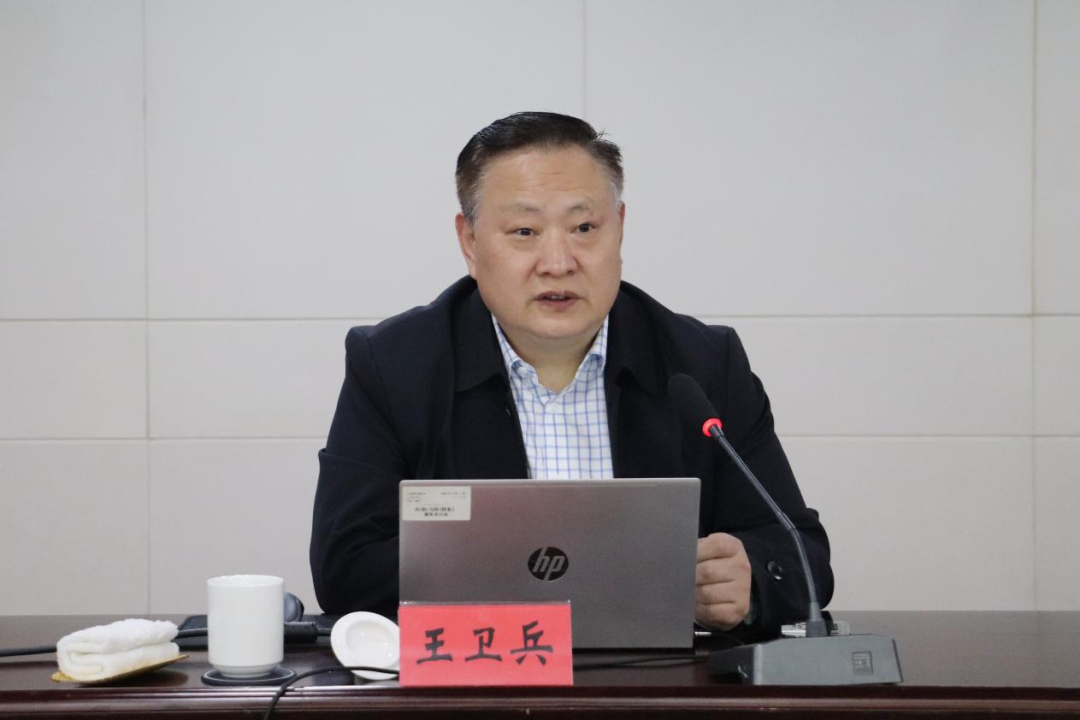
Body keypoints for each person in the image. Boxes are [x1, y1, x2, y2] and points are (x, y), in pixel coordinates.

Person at [310, 111, 832, 633]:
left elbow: (800, 553)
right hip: (475, 677)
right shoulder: (395, 366)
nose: (558, 262)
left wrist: (748, 581)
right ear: (469, 242)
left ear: (619, 227)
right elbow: (346, 571)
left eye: (584, 228)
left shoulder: (702, 364)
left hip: (658, 679)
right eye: (524, 231)